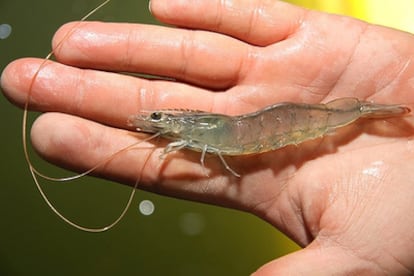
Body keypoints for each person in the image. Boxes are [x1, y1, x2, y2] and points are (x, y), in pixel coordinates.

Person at [1, 0, 414, 274]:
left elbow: (213, 141)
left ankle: (361, 111)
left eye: (163, 118)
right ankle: (360, 110)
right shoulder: (195, 129)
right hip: (261, 127)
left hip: (285, 126)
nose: (158, 122)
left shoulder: (211, 141)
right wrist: (168, 122)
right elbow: (197, 129)